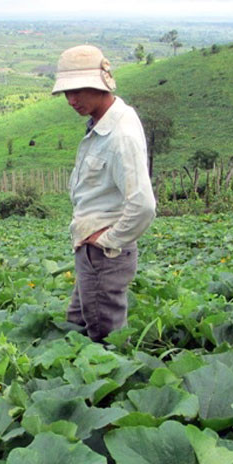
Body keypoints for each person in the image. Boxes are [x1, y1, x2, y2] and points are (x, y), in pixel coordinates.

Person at [52, 44, 157, 343]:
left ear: (100, 85)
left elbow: (144, 206)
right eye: (66, 93)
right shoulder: (105, 121)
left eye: (79, 91)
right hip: (92, 248)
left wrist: (109, 241)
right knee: (78, 322)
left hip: (104, 253)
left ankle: (110, 388)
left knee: (104, 337)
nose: (71, 100)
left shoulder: (120, 134)